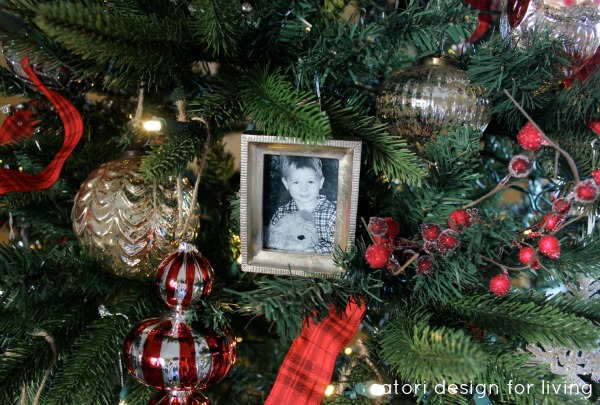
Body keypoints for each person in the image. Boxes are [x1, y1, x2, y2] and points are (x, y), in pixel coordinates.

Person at [270, 156, 336, 253]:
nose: (304, 189)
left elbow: (339, 249)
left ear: (321, 182)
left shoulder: (332, 213)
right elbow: (272, 239)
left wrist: (309, 251)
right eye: (296, 182)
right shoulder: (281, 212)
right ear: (286, 184)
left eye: (310, 182)